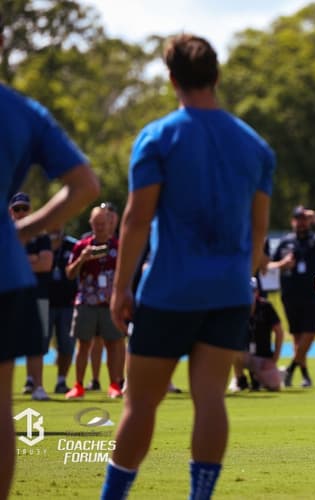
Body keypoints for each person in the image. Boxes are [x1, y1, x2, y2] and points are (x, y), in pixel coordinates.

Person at [100, 34, 274, 499]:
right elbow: (259, 233)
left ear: (172, 79)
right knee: (211, 398)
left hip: (169, 292)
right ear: (216, 76)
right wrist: (245, 274)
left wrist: (120, 289)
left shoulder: (158, 137)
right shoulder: (256, 146)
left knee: (140, 406)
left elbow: (136, 221)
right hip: (229, 292)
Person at [0, 23, 99, 496]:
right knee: (1, 411)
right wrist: (20, 231)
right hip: (5, 272)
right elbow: (85, 186)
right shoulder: (23, 112)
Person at [269, 205, 315, 388]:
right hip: (290, 294)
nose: (301, 222)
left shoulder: (314, 240)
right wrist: (283, 264)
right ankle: (303, 374)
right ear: (293, 221)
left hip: (311, 294)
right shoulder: (286, 242)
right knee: (297, 336)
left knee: (310, 333)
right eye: (298, 219)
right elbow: (269, 264)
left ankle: (290, 368)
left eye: (304, 219)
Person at [65, 205, 125, 399]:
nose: (99, 227)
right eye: (96, 223)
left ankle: (114, 384)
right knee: (83, 344)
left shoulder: (118, 247)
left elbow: (126, 274)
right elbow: (69, 273)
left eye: (103, 223)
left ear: (110, 224)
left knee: (113, 344)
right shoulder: (81, 246)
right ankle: (78, 385)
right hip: (86, 302)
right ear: (91, 223)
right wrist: (82, 259)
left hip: (109, 303)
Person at [9, 193, 53, 401]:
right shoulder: (5, 234)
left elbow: (46, 264)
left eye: (24, 209)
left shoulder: (41, 235)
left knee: (38, 343)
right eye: (16, 209)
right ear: (11, 211)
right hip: (10, 296)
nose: (20, 213)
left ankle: (38, 386)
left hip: (38, 295)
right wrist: (32, 259)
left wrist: (18, 261)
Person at [48, 225, 79, 394]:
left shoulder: (73, 246)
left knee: (66, 344)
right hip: (44, 302)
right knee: (38, 343)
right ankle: (33, 383)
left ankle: (61, 381)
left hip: (68, 303)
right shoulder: (40, 243)